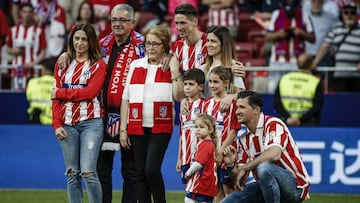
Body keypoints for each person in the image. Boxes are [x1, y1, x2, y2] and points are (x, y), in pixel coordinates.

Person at [220, 90, 311, 203]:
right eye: (237, 107)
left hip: (295, 186)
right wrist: (230, 165)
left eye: (242, 107)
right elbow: (241, 180)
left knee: (264, 168)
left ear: (256, 110)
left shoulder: (273, 124)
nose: (237, 112)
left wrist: (246, 167)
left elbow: (274, 153)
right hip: (266, 187)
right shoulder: (243, 140)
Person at [51, 23, 107, 203]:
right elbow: (55, 100)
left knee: (89, 171)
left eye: (84, 39)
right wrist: (57, 125)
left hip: (92, 122)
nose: (80, 43)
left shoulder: (98, 65)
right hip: (67, 124)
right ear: (71, 40)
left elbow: (90, 93)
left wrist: (61, 93)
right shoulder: (62, 64)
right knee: (72, 173)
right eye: (77, 38)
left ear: (91, 42)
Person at [119, 25, 175, 203]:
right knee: (140, 173)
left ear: (164, 45)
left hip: (161, 126)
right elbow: (125, 98)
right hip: (136, 126)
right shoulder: (136, 65)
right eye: (148, 43)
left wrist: (175, 68)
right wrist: (123, 129)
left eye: (155, 44)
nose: (150, 47)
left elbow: (180, 95)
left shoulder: (171, 64)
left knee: (151, 169)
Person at [201, 66, 240, 202]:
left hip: (226, 153)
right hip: (211, 154)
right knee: (216, 191)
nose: (212, 85)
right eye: (210, 82)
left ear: (226, 83)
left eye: (216, 82)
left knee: (229, 189)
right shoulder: (205, 104)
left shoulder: (233, 104)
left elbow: (234, 130)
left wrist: (221, 150)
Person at [264, 0, 315, 93]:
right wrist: (279, 34)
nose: (289, 12)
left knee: (295, 91)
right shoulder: (276, 14)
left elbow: (313, 38)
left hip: (296, 63)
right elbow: (267, 37)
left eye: (292, 10)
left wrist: (301, 33)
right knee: (274, 90)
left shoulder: (304, 15)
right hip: (277, 61)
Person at [312, 1, 360, 92]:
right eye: (346, 12)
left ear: (356, 15)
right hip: (340, 75)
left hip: (357, 76)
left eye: (352, 13)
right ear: (342, 14)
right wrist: (314, 63)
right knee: (340, 102)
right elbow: (325, 46)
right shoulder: (336, 28)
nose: (349, 15)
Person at [273, 53, 324, 126]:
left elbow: (276, 102)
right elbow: (317, 106)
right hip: (308, 125)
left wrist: (288, 118)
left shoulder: (284, 78)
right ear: (311, 65)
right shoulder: (315, 81)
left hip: (287, 124)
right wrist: (301, 120)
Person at [6, 3, 47, 90]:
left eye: (29, 12)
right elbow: (7, 48)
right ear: (20, 13)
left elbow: (43, 51)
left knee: (33, 95)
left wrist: (34, 63)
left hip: (34, 70)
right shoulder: (13, 30)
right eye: (24, 12)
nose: (27, 14)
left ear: (32, 14)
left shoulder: (39, 31)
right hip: (18, 70)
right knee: (17, 97)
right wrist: (14, 51)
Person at [175, 68, 205, 184]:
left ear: (201, 87)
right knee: (189, 189)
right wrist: (179, 157)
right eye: (185, 84)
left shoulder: (206, 105)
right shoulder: (183, 108)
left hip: (200, 157)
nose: (187, 87)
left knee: (202, 190)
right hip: (185, 157)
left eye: (191, 84)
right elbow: (182, 135)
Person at [184, 113, 218, 203]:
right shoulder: (209, 143)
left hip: (202, 181)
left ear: (210, 129)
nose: (198, 129)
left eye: (201, 127)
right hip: (208, 183)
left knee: (189, 199)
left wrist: (188, 173)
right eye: (196, 127)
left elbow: (199, 163)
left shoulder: (206, 144)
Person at [304, 0, 339, 67]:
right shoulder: (304, 16)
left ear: (323, 3)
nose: (316, 4)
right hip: (306, 56)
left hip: (324, 58)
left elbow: (337, 32)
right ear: (310, 2)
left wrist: (334, 47)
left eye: (319, 1)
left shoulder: (331, 18)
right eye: (314, 1)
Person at [26, 57, 56, 124]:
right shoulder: (60, 84)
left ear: (44, 68)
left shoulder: (32, 82)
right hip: (56, 121)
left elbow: (28, 97)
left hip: (36, 120)